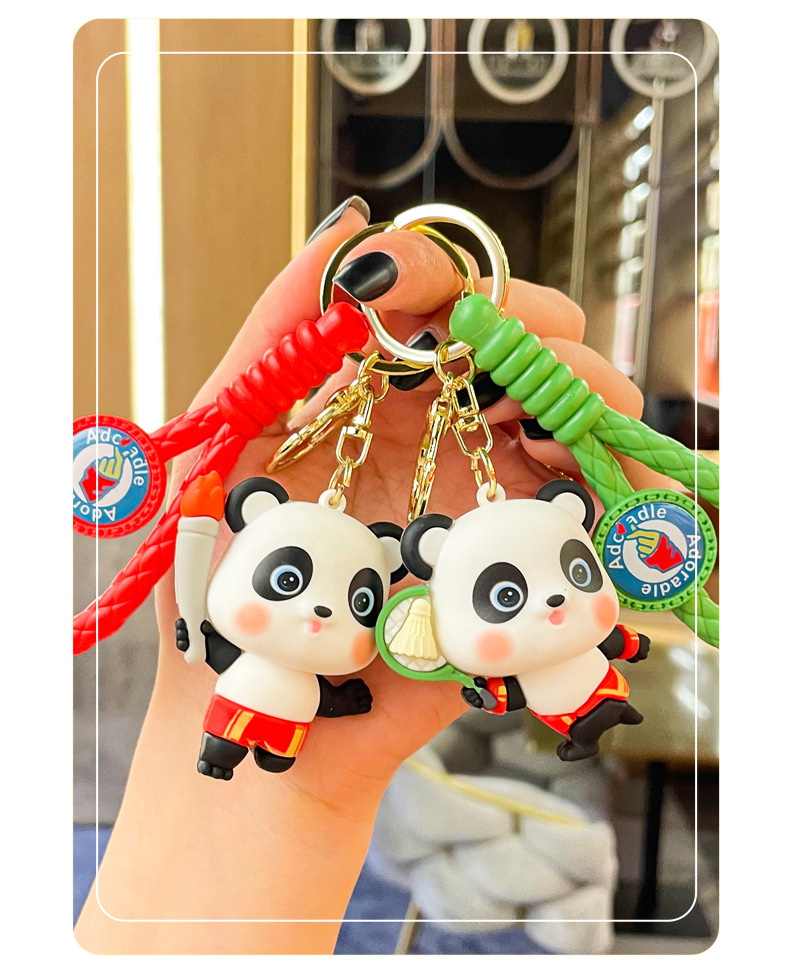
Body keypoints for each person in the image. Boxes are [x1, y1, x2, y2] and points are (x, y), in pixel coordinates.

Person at [75, 197, 657, 954]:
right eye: (292, 586)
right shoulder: (238, 561)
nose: (320, 615)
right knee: (240, 728)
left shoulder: (473, 575)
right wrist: (200, 655)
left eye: (356, 600)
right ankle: (226, 749)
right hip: (251, 707)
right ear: (252, 515)